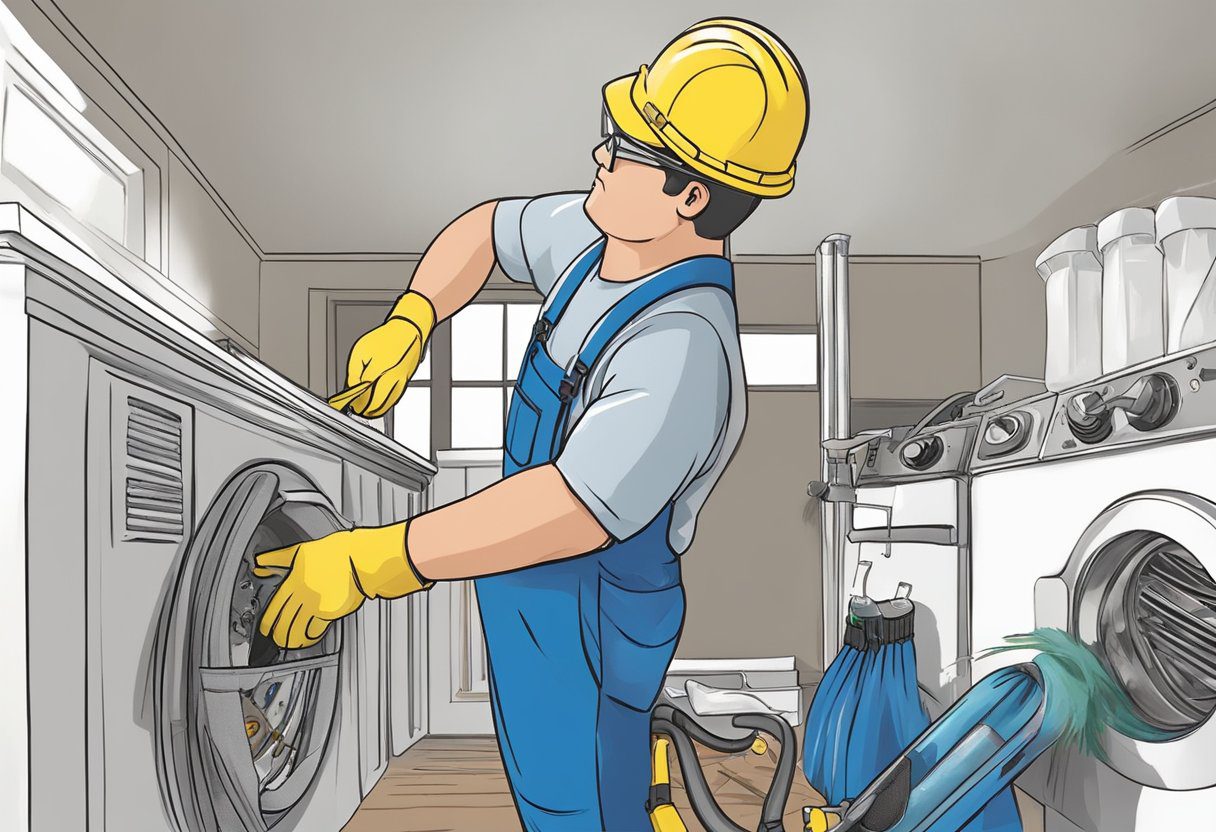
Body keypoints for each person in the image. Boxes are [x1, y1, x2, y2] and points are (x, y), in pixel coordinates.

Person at [254, 17, 809, 831]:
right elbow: (484, 229)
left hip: (595, 608)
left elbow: (571, 508)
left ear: (691, 195)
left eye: (625, 150)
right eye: (610, 135)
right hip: (533, 593)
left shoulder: (684, 349)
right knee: (542, 789)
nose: (600, 156)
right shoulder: (599, 241)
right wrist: (413, 319)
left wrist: (374, 560)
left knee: (577, 807)